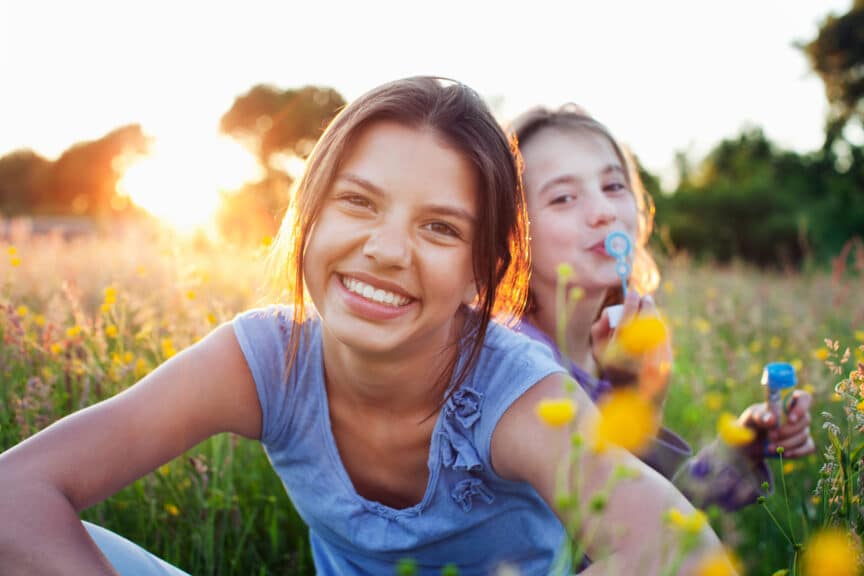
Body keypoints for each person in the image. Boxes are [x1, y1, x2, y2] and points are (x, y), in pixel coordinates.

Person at [0, 78, 728, 576]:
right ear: (309, 216)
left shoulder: (515, 396)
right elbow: (16, 492)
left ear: (484, 271)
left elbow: (683, 553)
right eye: (358, 202)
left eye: (440, 227)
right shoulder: (266, 358)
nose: (386, 249)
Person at [507, 104, 815, 511]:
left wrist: (742, 450)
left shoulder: (609, 353)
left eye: (614, 187)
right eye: (564, 197)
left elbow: (666, 505)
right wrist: (634, 404)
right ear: (511, 229)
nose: (603, 212)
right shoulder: (513, 369)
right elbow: (615, 528)